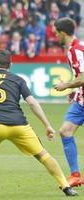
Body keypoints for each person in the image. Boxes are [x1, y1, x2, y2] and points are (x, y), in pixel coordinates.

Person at [0, 50, 77, 196]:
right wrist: (47, 125)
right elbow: (32, 103)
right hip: (20, 126)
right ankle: (66, 186)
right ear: (10, 65)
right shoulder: (18, 79)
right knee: (42, 155)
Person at [54, 17, 84, 187]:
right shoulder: (75, 48)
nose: (55, 36)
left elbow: (83, 77)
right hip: (81, 100)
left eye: (56, 33)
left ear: (63, 33)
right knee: (65, 131)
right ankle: (75, 175)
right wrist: (75, 91)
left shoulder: (76, 51)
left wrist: (66, 85)